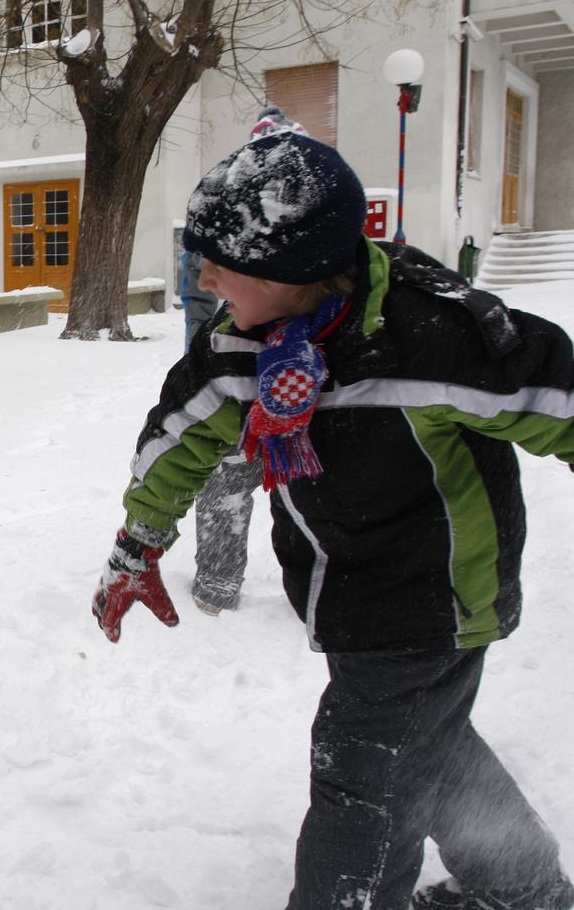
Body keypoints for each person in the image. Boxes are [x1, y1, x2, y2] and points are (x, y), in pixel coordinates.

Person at [90, 132, 574, 910]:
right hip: (344, 596)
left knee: (364, 778)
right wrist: (137, 543)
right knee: (427, 751)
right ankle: (527, 888)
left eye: (222, 261)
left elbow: (559, 398)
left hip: (436, 599)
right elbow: (178, 438)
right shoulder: (239, 350)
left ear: (299, 272)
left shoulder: (434, 341)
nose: (202, 274)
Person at [184, 106, 307, 616]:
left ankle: (217, 584)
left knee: (233, 483)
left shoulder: (233, 216)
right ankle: (311, 592)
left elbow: (197, 301)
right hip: (293, 383)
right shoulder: (321, 214)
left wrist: (202, 364)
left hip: (277, 383)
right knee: (301, 487)